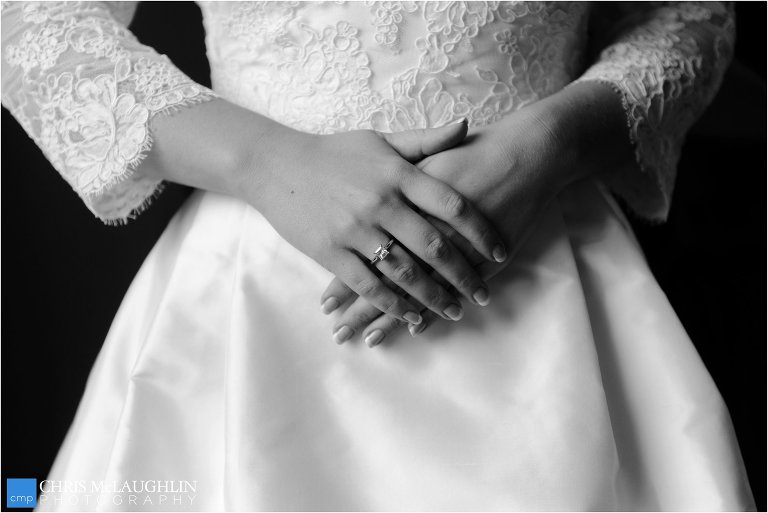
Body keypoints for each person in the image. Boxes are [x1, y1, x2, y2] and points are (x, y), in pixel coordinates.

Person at [1, 1, 755, 510]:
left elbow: (684, 15)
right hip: (262, 294)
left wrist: (547, 144)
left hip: (553, 279)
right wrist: (267, 162)